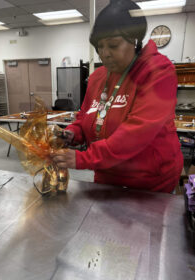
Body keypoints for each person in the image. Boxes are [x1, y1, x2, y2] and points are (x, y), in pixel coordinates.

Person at [51, 0, 183, 193]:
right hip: (107, 174)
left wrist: (83, 158)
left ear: (136, 41)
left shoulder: (158, 72)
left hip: (149, 182)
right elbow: (86, 116)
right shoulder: (98, 77)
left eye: (113, 45)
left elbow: (137, 132)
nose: (104, 54)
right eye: (99, 46)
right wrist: (73, 132)